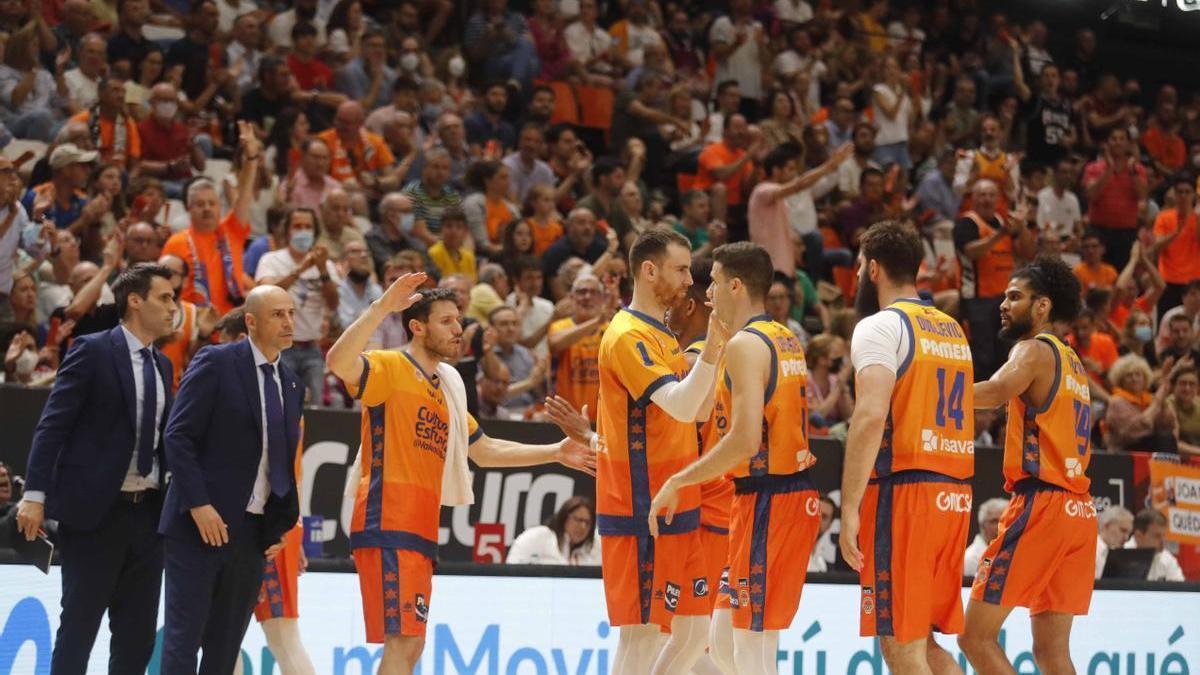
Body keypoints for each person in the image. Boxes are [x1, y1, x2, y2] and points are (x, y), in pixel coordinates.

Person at [324, 278, 593, 675]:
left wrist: (554, 453)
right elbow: (338, 362)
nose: (457, 329)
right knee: (405, 640)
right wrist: (381, 307)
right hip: (387, 518)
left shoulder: (446, 387)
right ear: (417, 327)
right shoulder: (391, 366)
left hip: (420, 527)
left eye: (459, 320)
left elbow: (484, 450)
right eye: (446, 321)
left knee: (411, 645)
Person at [552, 229, 723, 675]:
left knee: (693, 633)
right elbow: (684, 403)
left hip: (677, 502)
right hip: (641, 505)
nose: (690, 280)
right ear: (649, 271)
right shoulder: (627, 336)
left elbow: (699, 410)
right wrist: (718, 341)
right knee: (642, 637)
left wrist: (716, 346)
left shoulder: (662, 334)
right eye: (681, 269)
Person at [649, 242, 819, 675]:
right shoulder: (782, 335)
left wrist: (678, 481)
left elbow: (744, 441)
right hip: (769, 500)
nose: (708, 295)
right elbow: (705, 412)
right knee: (724, 644)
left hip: (771, 500)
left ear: (737, 286)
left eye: (716, 285)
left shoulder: (746, 345)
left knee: (751, 651)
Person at [16, 263, 176, 674]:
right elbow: (53, 425)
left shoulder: (164, 365)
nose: (174, 306)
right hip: (95, 516)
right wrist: (34, 496)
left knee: (137, 639)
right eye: (165, 297)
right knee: (79, 630)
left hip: (148, 517)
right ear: (135, 301)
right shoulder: (92, 349)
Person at [840, 221, 974, 675]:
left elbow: (870, 415)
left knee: (900, 646)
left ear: (872, 269)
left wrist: (849, 507)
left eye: (860, 265)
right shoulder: (952, 329)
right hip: (954, 495)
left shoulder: (880, 327)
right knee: (927, 645)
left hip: (906, 495)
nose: (859, 273)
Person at [958, 257, 1097, 674]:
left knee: (974, 636)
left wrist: (936, 390)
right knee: (1052, 653)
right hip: (1080, 512)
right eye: (1003, 296)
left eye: (1014, 296)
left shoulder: (1033, 349)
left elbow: (1000, 389)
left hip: (1043, 506)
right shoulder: (1073, 362)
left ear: (1042, 306)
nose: (1003, 304)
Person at [158, 285, 304, 674]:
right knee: (182, 643)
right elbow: (178, 435)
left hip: (252, 534)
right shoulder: (217, 362)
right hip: (198, 527)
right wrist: (198, 504)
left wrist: (277, 525)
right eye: (278, 314)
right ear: (251, 322)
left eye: (291, 313)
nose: (288, 321)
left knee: (224, 651)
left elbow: (280, 460)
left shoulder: (291, 383)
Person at [216, 309, 318, 675]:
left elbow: (288, 471)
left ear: (242, 338)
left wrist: (294, 531)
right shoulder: (279, 391)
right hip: (268, 525)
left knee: (281, 638)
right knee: (225, 639)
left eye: (226, 346)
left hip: (269, 527)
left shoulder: (277, 391)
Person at [162, 121, 262, 316]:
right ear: (189, 209)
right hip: (195, 326)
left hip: (232, 324)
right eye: (200, 205)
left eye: (212, 203)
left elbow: (244, 195)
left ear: (219, 207)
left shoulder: (231, 229)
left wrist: (251, 158)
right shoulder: (176, 243)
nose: (207, 209)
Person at [254, 207, 340, 406]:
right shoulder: (271, 259)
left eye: (308, 227)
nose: (303, 231)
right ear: (287, 231)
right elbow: (265, 294)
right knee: (279, 405)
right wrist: (300, 270)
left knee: (315, 409)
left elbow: (334, 302)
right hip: (280, 348)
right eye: (298, 226)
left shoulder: (325, 265)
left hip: (312, 348)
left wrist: (322, 271)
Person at [954, 179, 1036, 379]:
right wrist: (1000, 235)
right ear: (973, 199)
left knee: (1005, 353)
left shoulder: (1003, 222)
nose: (987, 199)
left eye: (991, 195)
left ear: (998, 198)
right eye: (982, 195)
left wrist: (1022, 227)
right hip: (977, 299)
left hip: (1005, 299)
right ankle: (977, 404)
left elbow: (1029, 252)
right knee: (982, 355)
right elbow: (971, 252)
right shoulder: (966, 222)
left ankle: (999, 405)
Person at [548, 273, 608, 422]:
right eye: (581, 292)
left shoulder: (612, 329)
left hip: (603, 419)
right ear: (571, 298)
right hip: (565, 419)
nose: (587, 297)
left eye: (594, 292)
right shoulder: (559, 326)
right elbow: (555, 344)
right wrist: (596, 321)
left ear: (602, 299)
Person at [506, 495, 600, 565]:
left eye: (587, 523)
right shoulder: (538, 537)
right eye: (579, 520)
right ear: (564, 517)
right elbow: (512, 569)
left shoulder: (594, 547)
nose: (583, 526)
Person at [1125, 509, 1185, 582]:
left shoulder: (1168, 559)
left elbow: (1179, 590)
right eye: (1157, 536)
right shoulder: (1119, 558)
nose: (1163, 541)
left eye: (1164, 536)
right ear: (1139, 536)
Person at [963, 498, 1008, 577]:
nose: (1000, 526)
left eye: (1004, 520)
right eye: (994, 521)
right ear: (982, 524)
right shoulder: (970, 559)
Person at [1094, 505, 1134, 578]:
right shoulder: (1088, 550)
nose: (1126, 537)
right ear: (1106, 526)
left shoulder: (1121, 555)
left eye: (1129, 533)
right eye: (1123, 530)